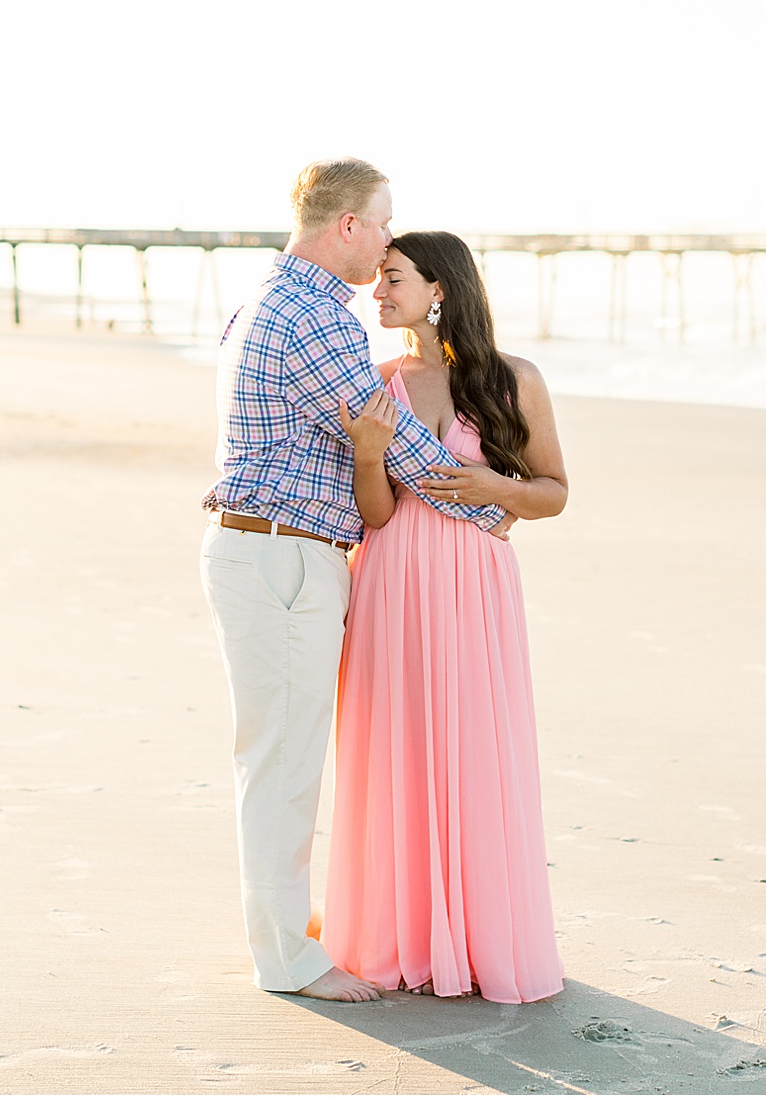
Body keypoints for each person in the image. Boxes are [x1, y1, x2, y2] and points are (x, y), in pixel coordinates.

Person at [198, 161, 510, 1004]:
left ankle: (284, 924)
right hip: (284, 555)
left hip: (267, 550)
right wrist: (488, 508)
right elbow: (399, 444)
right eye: (380, 224)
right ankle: (288, 959)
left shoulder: (268, 298)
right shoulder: (315, 319)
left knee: (280, 750)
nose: (384, 245)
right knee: (285, 760)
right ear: (346, 226)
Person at [322, 230, 569, 1004]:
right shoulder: (377, 382)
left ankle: (478, 936)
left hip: (475, 585)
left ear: (439, 288)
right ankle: (401, 933)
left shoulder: (512, 380)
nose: (378, 291)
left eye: (392, 278)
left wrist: (497, 487)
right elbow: (377, 514)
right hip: (392, 578)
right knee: (395, 747)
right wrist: (368, 454)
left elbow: (555, 491)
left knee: (472, 744)